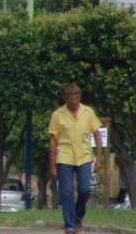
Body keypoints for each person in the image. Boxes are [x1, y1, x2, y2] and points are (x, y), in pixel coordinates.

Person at [49, 83, 103, 234]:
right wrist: (52, 165)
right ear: (65, 98)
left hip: (84, 157)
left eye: (77, 97)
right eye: (71, 98)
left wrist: (99, 158)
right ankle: (69, 225)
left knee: (85, 190)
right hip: (64, 157)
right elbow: (53, 140)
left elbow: (97, 135)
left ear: (80, 97)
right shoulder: (57, 115)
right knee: (66, 192)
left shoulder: (88, 112)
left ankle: (78, 216)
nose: (74, 101)